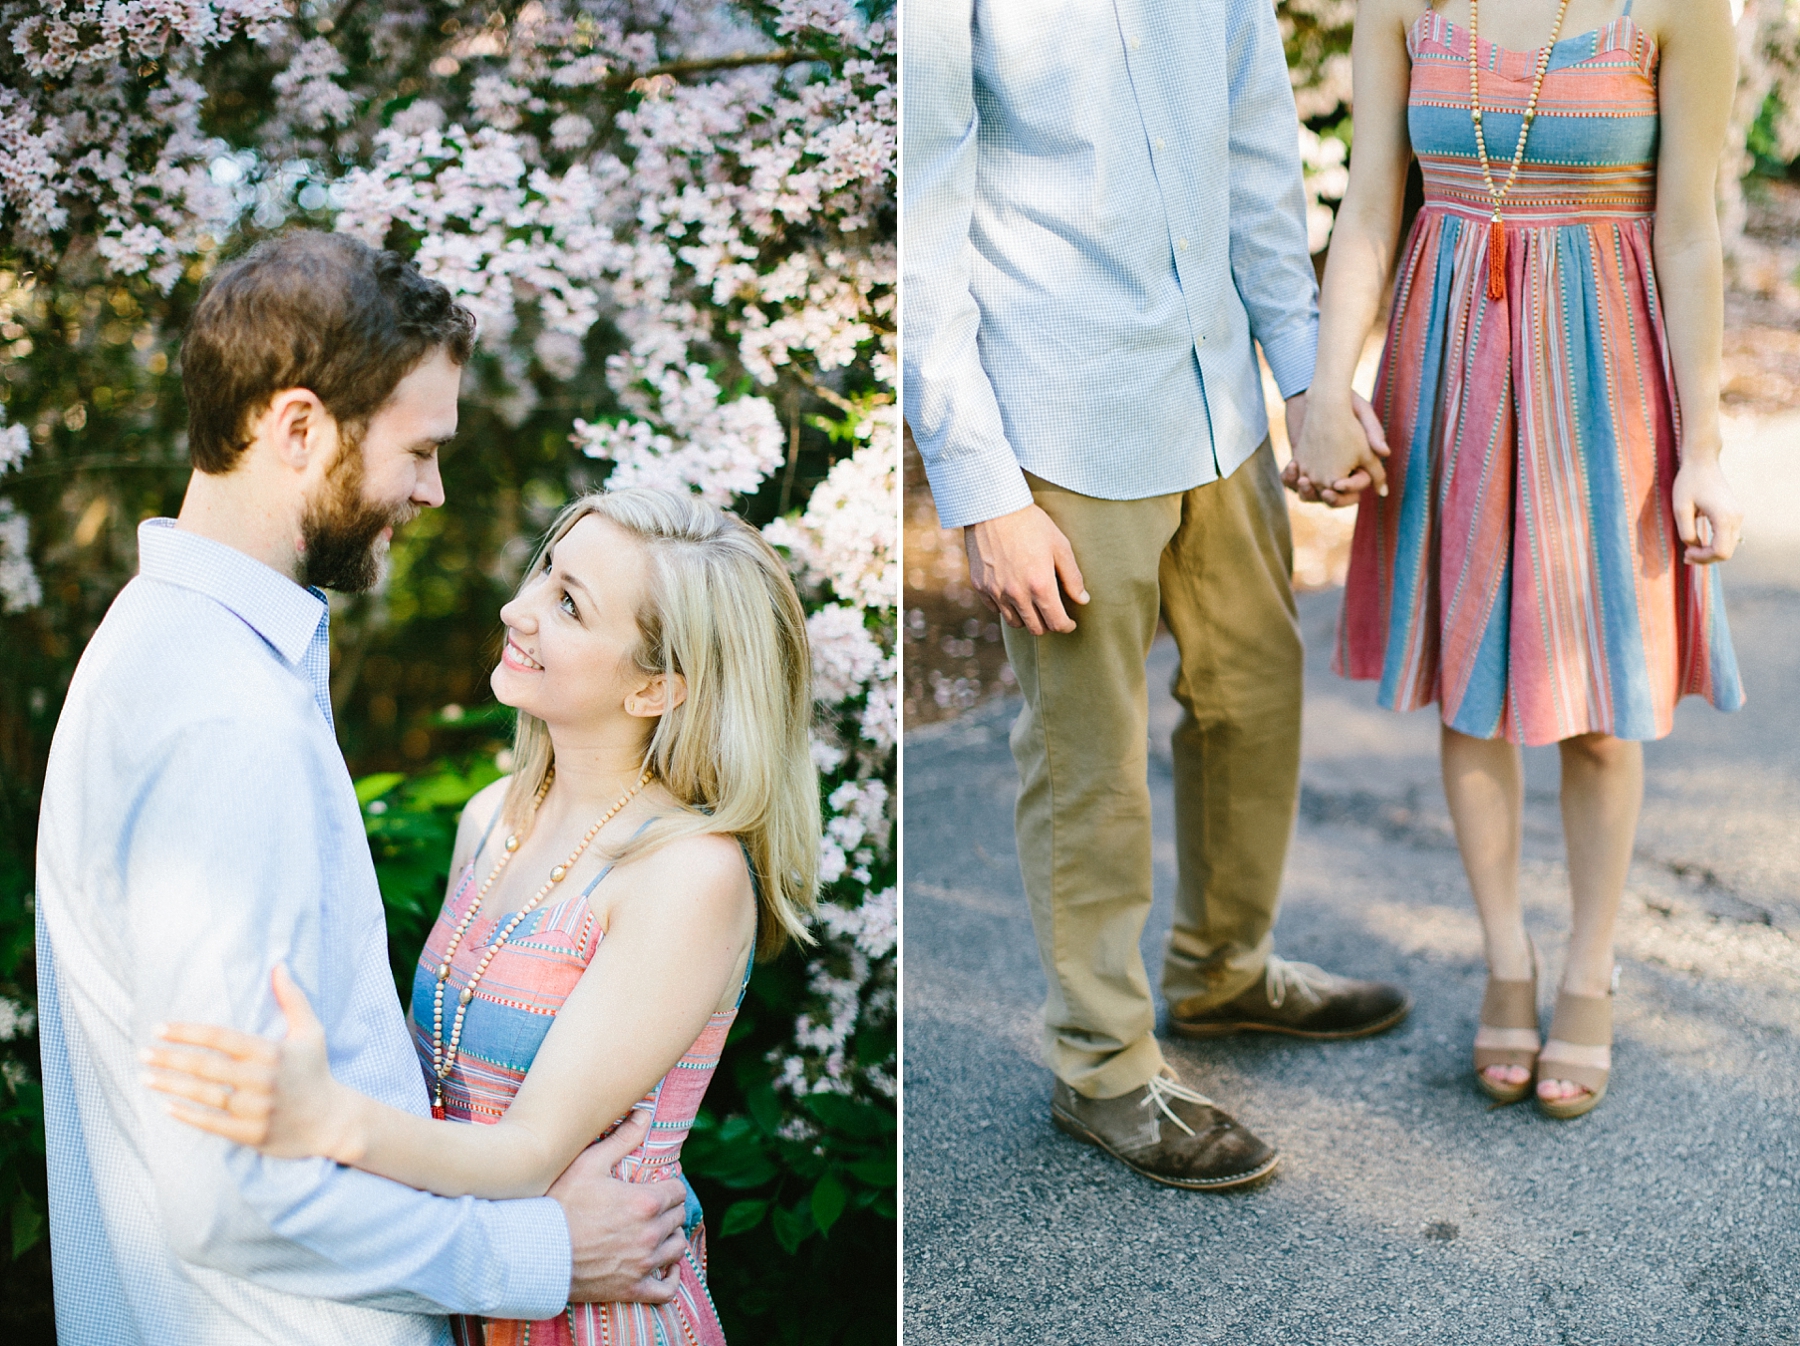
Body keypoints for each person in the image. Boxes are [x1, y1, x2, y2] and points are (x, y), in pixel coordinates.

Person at [36, 231, 698, 1344]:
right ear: (299, 427)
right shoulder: (226, 723)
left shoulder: (166, 651)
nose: (433, 491)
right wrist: (542, 1252)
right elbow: (230, 1196)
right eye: (419, 449)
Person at [902, 0, 1412, 1192]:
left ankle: (1225, 971)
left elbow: (1253, 143)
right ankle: (1104, 1066)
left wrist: (1304, 371)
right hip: (1061, 420)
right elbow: (925, 223)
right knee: (1090, 759)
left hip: (1217, 397)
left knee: (1255, 695)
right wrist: (984, 491)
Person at [142, 486, 819, 1345]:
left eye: (568, 605)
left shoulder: (687, 874)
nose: (518, 608)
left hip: (601, 1315)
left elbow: (527, 1153)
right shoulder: (493, 815)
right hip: (478, 1285)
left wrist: (326, 1118)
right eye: (545, 574)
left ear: (656, 688)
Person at [1291, 0, 1744, 1118]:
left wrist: (1705, 448)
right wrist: (1324, 388)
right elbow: (1369, 209)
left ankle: (1589, 966)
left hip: (1610, 367)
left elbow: (1688, 232)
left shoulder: (1681, 10)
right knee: (1471, 678)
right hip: (1450, 355)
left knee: (1602, 697)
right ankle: (1506, 955)